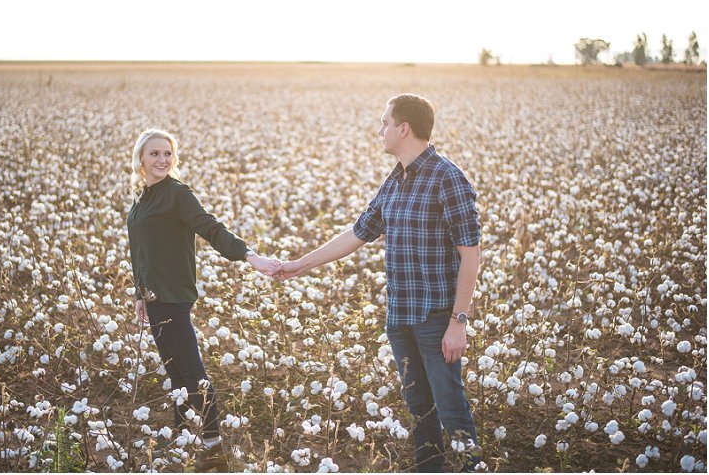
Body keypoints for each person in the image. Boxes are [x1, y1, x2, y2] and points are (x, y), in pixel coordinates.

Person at [275, 94, 483, 472]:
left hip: (436, 318)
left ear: (404, 128)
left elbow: (471, 255)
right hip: (400, 317)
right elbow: (357, 233)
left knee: (451, 408)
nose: (380, 130)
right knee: (420, 407)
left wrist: (459, 321)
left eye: (384, 123)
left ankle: (473, 467)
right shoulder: (395, 180)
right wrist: (298, 265)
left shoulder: (448, 179)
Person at [126, 128, 278, 471]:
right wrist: (139, 293)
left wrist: (251, 256)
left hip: (174, 297)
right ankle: (181, 436)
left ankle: (213, 446)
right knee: (174, 372)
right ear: (140, 159)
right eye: (154, 154)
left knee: (193, 374)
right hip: (153, 298)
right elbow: (140, 250)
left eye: (167, 153)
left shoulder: (178, 194)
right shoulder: (142, 197)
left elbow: (211, 228)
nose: (162, 159)